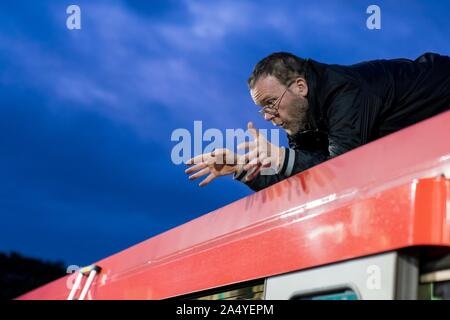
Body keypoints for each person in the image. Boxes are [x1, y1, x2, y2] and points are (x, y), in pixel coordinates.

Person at [185, 52, 450, 191]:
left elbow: (341, 171)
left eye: (270, 103)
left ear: (300, 86)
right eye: (262, 109)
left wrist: (282, 157)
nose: (267, 116)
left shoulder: (344, 92)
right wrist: (241, 167)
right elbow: (301, 178)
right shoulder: (302, 116)